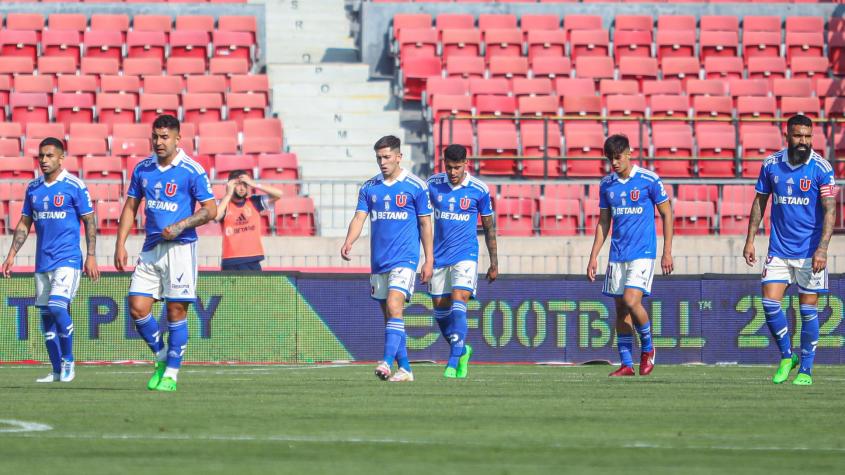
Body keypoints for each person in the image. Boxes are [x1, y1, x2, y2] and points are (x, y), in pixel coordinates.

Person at [114, 115, 216, 392]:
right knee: (136, 307)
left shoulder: (191, 170)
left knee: (175, 310)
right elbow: (131, 206)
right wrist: (120, 243)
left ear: (177, 139)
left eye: (164, 137)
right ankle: (161, 356)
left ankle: (171, 373)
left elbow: (211, 210)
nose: (159, 142)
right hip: (150, 247)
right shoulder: (143, 169)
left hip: (181, 249)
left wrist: (182, 224)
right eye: (155, 137)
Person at [743, 114, 836, 386]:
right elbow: (760, 201)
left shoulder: (821, 168)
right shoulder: (771, 165)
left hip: (810, 252)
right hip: (779, 249)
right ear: (787, 135)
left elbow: (830, 210)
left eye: (808, 136)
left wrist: (822, 249)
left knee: (808, 311)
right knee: (770, 303)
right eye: (798, 136)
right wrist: (750, 239)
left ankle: (806, 370)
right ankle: (787, 356)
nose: (803, 141)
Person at [2, 138, 100, 383]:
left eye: (49, 156)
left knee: (57, 307)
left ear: (61, 158)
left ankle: (69, 360)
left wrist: (90, 256)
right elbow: (25, 223)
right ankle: (56, 371)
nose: (44, 161)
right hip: (42, 261)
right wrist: (11, 255)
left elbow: (89, 221)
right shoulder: (33, 188)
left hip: (67, 259)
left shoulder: (74, 185)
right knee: (46, 317)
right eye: (41, 156)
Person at [341, 135, 433, 382]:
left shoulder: (416, 186)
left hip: (405, 259)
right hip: (379, 261)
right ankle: (405, 370)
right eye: (379, 158)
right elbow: (359, 217)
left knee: (394, 306)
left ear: (399, 157)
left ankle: (386, 362)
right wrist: (350, 240)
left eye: (387, 157)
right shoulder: (370, 187)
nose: (382, 162)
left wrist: (429, 259)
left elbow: (425, 223)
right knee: (391, 316)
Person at [587, 134, 674, 377]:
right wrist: (594, 256)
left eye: (617, 157)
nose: (614, 163)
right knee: (621, 310)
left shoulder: (649, 180)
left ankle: (648, 349)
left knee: (631, 301)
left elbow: (667, 213)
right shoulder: (607, 185)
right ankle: (626, 363)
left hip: (643, 252)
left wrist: (667, 251)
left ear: (629, 154)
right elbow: (604, 221)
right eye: (610, 159)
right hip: (617, 255)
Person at [426, 145, 497, 379]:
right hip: (439, 258)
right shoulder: (433, 184)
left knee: (459, 301)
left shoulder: (479, 190)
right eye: (449, 167)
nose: (453, 172)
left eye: (457, 167)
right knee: (440, 310)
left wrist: (494, 262)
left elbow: (489, 227)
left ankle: (453, 361)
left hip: (466, 255)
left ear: (466, 163)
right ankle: (462, 349)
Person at [214, 170, 284, 271]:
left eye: (245, 184)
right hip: (230, 261)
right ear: (231, 185)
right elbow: (216, 216)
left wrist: (255, 185)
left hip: (252, 260)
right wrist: (228, 194)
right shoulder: (224, 204)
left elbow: (279, 194)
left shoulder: (255, 201)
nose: (242, 188)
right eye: (238, 185)